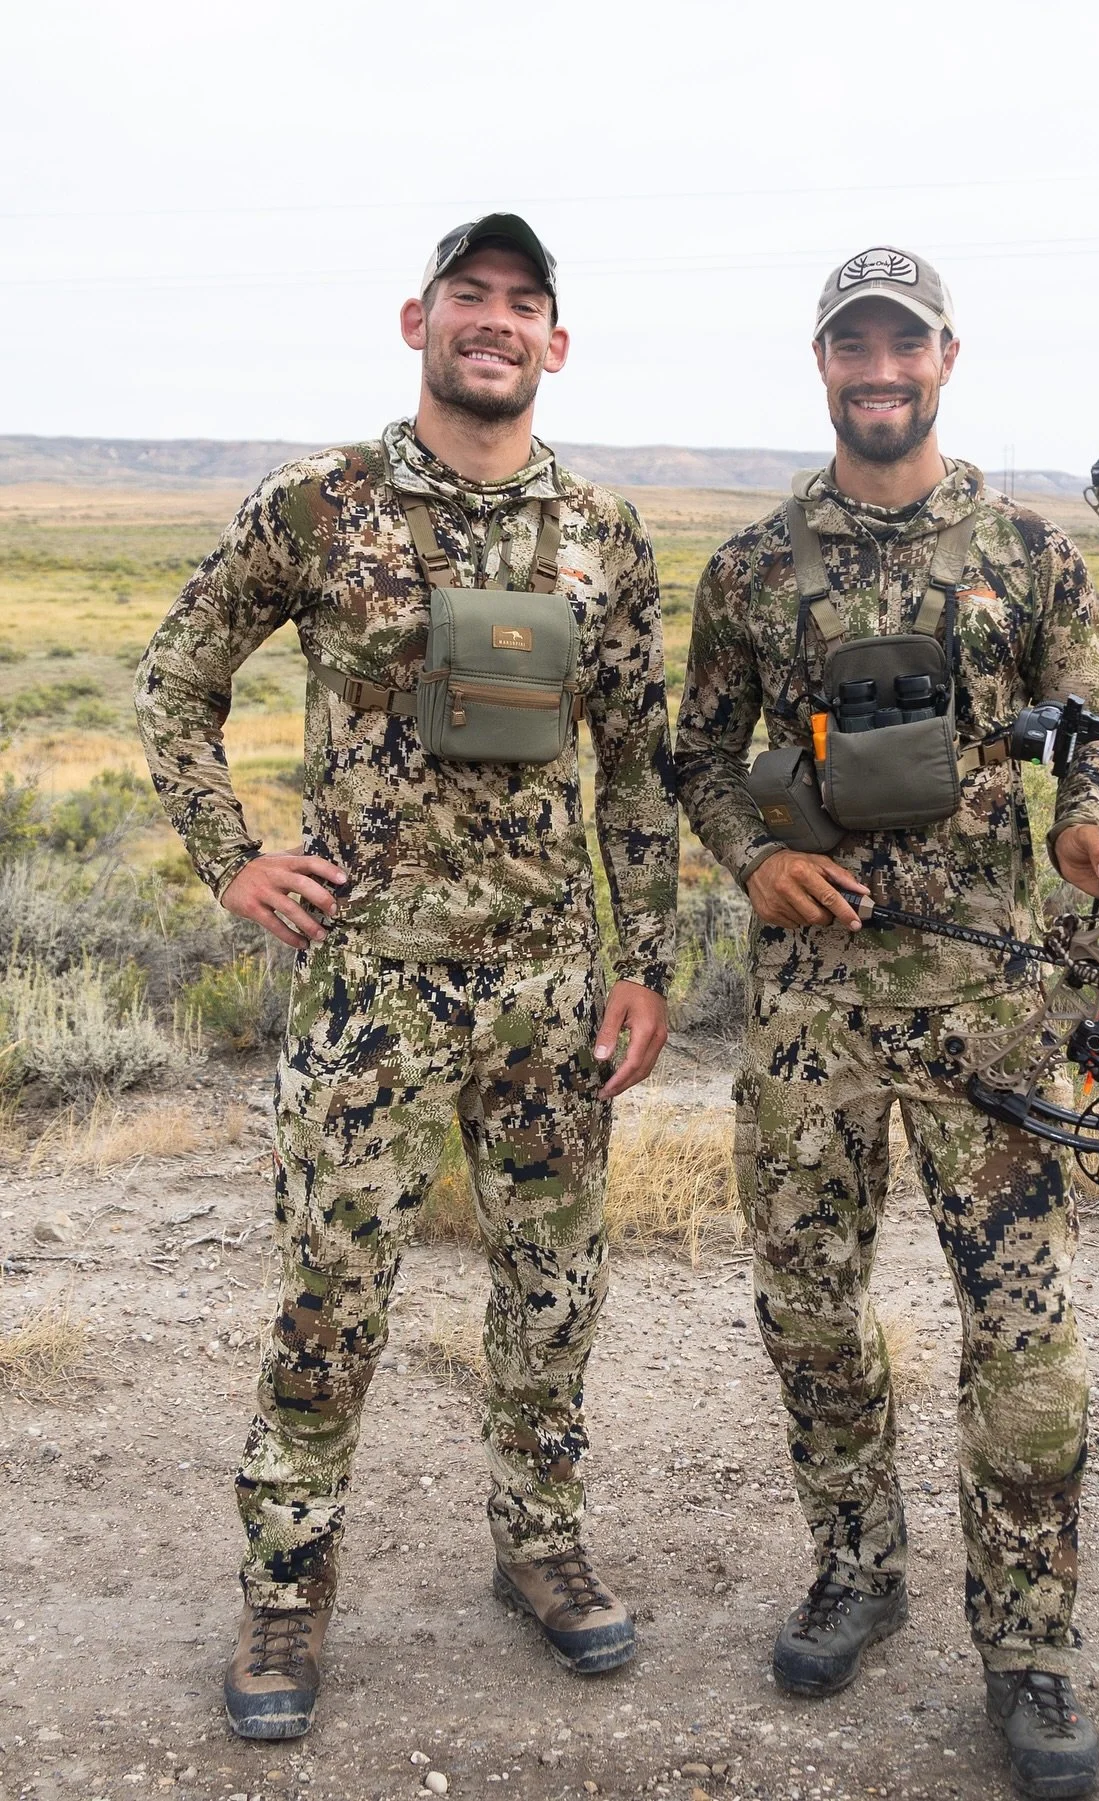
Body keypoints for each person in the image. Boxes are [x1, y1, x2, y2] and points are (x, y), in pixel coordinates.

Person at [135, 213, 678, 1740]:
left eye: (523, 306)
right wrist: (230, 856)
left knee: (553, 1293)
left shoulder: (606, 535)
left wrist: (645, 965)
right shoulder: (318, 507)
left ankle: (542, 1549)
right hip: (367, 989)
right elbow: (178, 678)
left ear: (556, 345)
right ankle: (287, 1594)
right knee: (332, 1297)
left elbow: (637, 768)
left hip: (549, 999)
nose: (493, 323)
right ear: (416, 321)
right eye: (468, 299)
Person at [674, 246, 1099, 1800]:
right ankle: (857, 1569)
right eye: (851, 347)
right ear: (821, 365)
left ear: (947, 354)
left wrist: (1095, 831)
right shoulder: (752, 569)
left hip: (991, 1018)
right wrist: (759, 858)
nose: (878, 370)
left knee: (1027, 1345)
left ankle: (1031, 1651)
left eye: (903, 345)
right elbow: (693, 757)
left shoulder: (1029, 552)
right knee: (810, 1314)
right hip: (814, 1022)